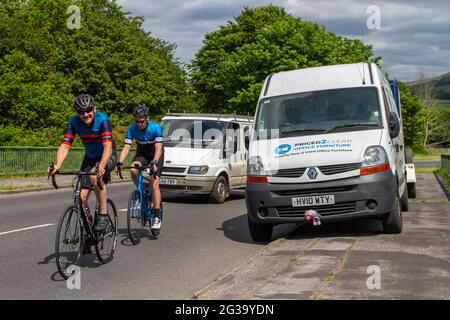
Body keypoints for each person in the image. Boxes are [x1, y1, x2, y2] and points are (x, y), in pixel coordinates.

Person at [51, 94, 117, 232]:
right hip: (90, 157)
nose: (85, 114)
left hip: (108, 154)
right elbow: (65, 145)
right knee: (81, 197)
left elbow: (107, 147)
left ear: (94, 108)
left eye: (88, 110)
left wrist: (102, 166)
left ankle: (104, 215)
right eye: (81, 112)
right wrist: (57, 164)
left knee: (95, 176)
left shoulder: (103, 120)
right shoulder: (74, 122)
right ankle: (88, 231)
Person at [116, 104, 164, 231]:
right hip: (142, 154)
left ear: (146, 118)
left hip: (155, 155)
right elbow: (126, 147)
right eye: (137, 121)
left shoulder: (156, 128)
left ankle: (157, 215)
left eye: (142, 121)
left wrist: (154, 162)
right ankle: (141, 190)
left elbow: (158, 149)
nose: (139, 124)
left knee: (154, 184)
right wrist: (120, 162)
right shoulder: (132, 129)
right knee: (133, 169)